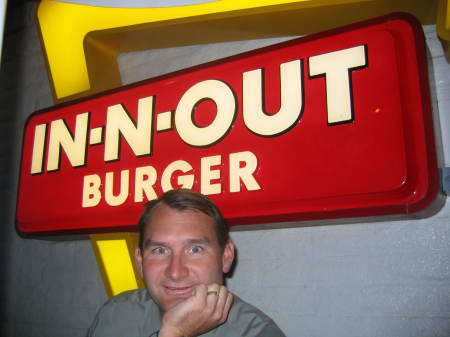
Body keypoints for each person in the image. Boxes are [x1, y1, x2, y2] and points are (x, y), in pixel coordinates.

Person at [87, 188, 286, 337]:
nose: (175, 272)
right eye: (160, 250)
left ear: (226, 256)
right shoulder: (114, 315)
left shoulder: (255, 332)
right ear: (140, 261)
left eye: (195, 249)